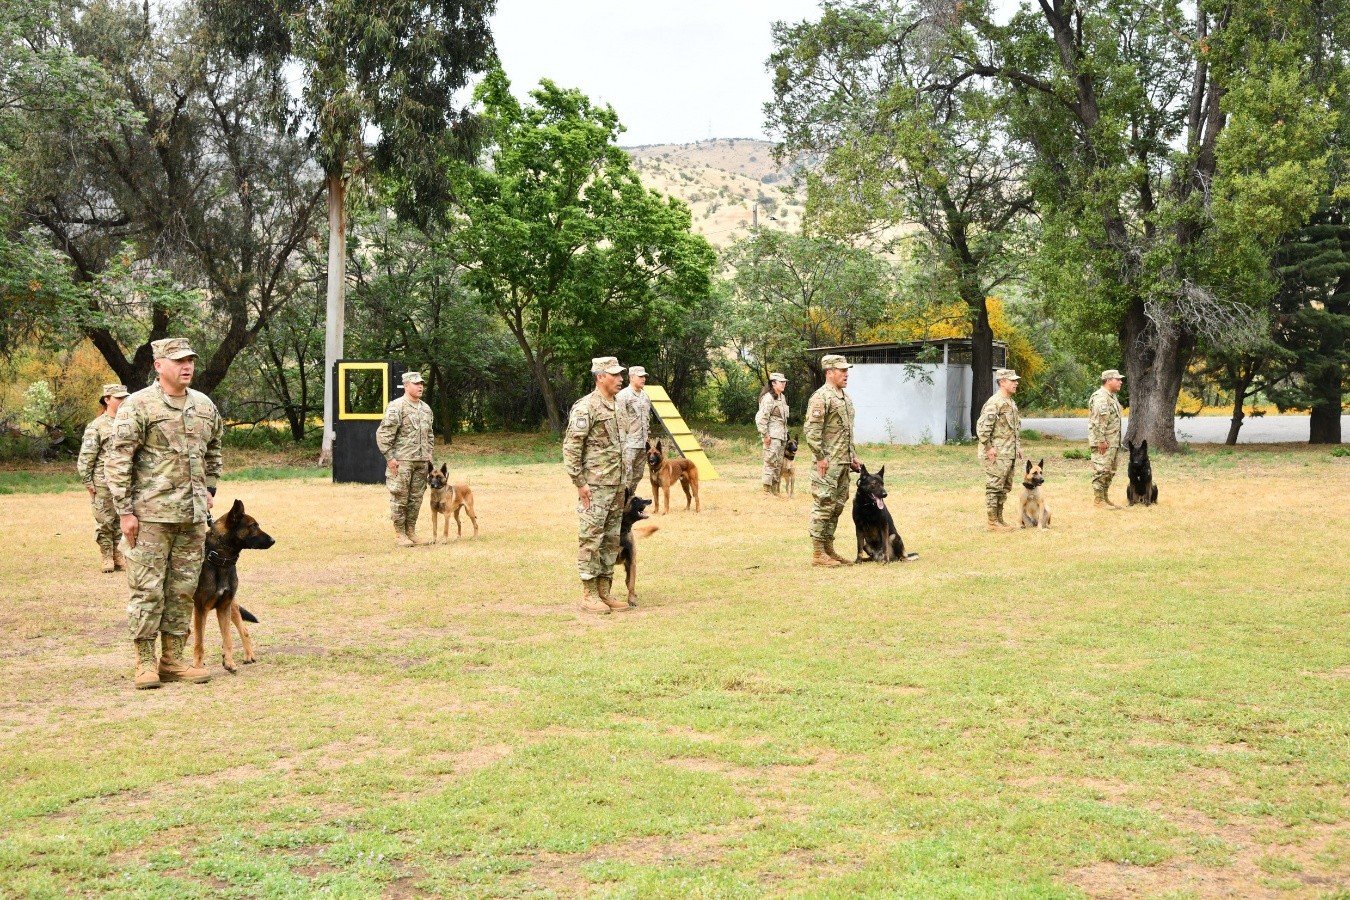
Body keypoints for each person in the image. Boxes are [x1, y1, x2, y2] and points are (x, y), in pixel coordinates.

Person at [104, 338, 221, 689]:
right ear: (159, 365)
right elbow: (119, 460)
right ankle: (144, 663)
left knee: (183, 590)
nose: (187, 366)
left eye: (190, 361)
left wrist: (209, 489)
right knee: (147, 589)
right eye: (179, 361)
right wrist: (125, 512)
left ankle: (173, 659)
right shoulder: (138, 406)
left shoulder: (203, 405)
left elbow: (214, 447)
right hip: (150, 517)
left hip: (192, 517)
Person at [562, 356, 631, 613]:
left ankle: (605, 591)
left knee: (612, 540)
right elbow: (571, 448)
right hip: (595, 486)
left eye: (621, 374)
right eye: (615, 374)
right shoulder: (586, 407)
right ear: (600, 376)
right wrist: (579, 483)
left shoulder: (619, 405)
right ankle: (589, 593)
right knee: (591, 538)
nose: (620, 378)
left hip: (616, 486)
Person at [803, 355, 861, 567]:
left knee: (836, 506)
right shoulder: (821, 397)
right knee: (823, 505)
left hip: (843, 463)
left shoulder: (844, 397)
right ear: (829, 372)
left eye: (847, 370)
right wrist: (820, 458)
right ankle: (818, 553)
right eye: (841, 370)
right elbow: (811, 431)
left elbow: (846, 432)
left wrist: (852, 456)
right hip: (827, 464)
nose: (846, 374)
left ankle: (828, 549)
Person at [375, 372, 435, 547]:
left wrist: (429, 453)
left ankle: (411, 531)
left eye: (421, 383)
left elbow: (429, 434)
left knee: (416, 499)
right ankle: (400, 534)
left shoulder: (425, 408)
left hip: (421, 461)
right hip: (402, 461)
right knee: (400, 497)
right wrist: (389, 458)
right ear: (406, 385)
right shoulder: (397, 406)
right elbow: (384, 433)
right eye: (416, 384)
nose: (420, 386)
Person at [77, 383, 130, 573]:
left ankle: (118, 555)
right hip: (103, 481)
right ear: (107, 399)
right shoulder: (97, 426)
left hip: (124, 481)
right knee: (105, 520)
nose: (123, 401)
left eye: (125, 397)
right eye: (119, 398)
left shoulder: (129, 422)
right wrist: (88, 481)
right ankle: (107, 555)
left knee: (120, 519)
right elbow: (87, 456)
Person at [975, 368, 1023, 531]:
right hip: (996, 453)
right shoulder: (995, 402)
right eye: (1012, 380)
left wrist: (1018, 447)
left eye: (1016, 380)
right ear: (1002, 382)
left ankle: (999, 519)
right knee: (994, 486)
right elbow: (982, 429)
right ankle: (992, 522)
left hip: (1008, 453)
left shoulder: (1009, 401)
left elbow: (1013, 428)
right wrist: (988, 448)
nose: (1016, 383)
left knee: (1004, 487)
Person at [1088, 369, 1126, 508]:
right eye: (1118, 379)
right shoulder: (1101, 397)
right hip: (1103, 442)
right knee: (1102, 470)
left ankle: (1104, 497)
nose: (1120, 382)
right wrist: (1101, 441)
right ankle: (1098, 500)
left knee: (1109, 471)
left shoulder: (1111, 397)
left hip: (1112, 441)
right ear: (1109, 380)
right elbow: (1098, 422)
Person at [616, 365, 653, 495]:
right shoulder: (623, 396)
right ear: (631, 377)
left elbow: (646, 420)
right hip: (628, 444)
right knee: (626, 476)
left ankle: (630, 501)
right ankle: (621, 504)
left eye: (644, 376)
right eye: (640, 376)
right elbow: (619, 421)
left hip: (643, 443)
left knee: (638, 475)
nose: (643, 379)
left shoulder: (645, 396)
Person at [755, 372, 790, 496]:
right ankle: (766, 490)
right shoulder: (768, 398)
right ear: (773, 383)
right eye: (781, 382)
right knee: (770, 461)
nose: (784, 384)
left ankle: (775, 490)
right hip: (772, 435)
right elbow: (761, 419)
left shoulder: (782, 397)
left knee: (779, 463)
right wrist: (765, 435)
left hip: (781, 435)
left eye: (784, 381)